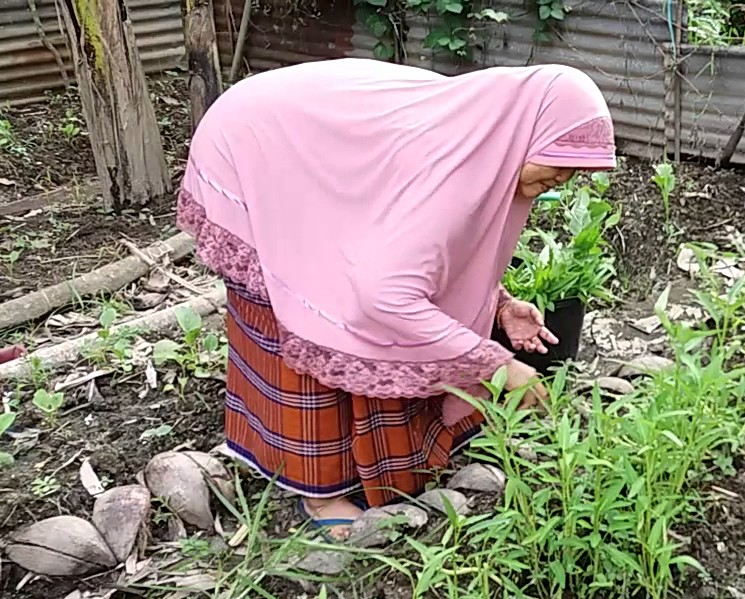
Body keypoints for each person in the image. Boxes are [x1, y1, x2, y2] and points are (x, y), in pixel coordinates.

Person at [177, 58, 616, 538]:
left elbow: (433, 256)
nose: (563, 179)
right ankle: (318, 491)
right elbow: (382, 299)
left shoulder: (486, 139)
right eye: (558, 161)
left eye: (575, 171)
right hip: (253, 148)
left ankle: (376, 465)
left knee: (357, 308)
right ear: (525, 131)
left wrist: (502, 304)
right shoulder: (452, 168)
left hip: (320, 165)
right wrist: (497, 364)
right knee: (311, 311)